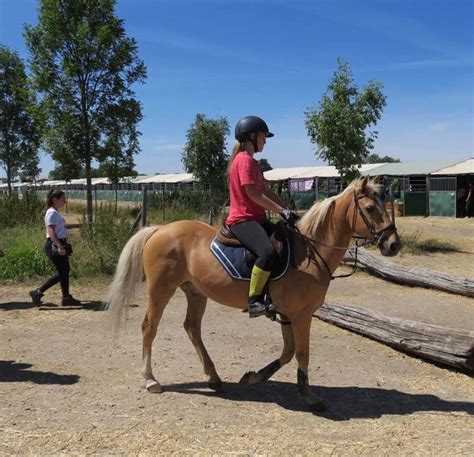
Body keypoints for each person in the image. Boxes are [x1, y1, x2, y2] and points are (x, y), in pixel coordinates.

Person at [225, 116, 299, 318]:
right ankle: (255, 301)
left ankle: (274, 294)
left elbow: (266, 191)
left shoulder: (254, 164)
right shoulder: (243, 161)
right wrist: (280, 211)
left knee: (286, 239)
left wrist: (288, 211)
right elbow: (253, 195)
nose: (265, 141)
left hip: (256, 218)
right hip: (242, 220)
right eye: (263, 136)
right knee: (267, 252)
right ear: (251, 136)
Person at [29, 188, 81, 306]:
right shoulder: (51, 212)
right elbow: (51, 231)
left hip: (59, 243)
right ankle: (38, 292)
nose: (65, 201)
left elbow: (56, 228)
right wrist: (59, 246)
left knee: (65, 271)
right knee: (62, 273)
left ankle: (66, 298)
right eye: (63, 199)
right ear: (55, 199)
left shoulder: (54, 212)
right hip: (54, 244)